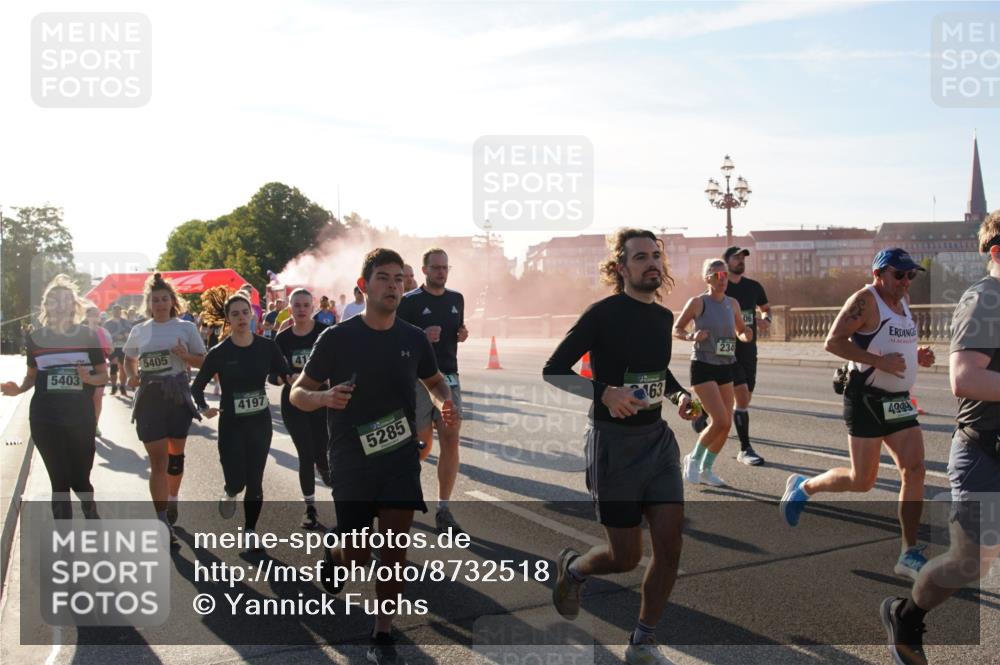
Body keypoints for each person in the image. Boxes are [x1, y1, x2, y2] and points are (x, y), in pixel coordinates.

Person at [291, 248, 456, 665]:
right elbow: (296, 394)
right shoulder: (337, 338)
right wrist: (325, 396)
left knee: (395, 550)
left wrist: (446, 401)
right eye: (383, 277)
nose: (393, 285)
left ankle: (383, 632)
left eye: (399, 279)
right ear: (364, 286)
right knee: (360, 554)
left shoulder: (413, 338)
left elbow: (435, 381)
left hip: (400, 457)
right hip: (351, 459)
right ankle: (335, 553)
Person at [543, 229, 694, 665]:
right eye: (640, 257)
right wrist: (603, 393)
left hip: (658, 444)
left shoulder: (664, 318)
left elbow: (659, 374)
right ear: (621, 267)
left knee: (670, 547)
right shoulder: (603, 314)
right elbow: (554, 370)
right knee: (626, 557)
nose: (651, 263)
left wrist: (679, 395)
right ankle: (574, 569)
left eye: (655, 256)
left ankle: (642, 642)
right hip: (614, 446)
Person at [879, 211, 1000, 665]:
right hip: (987, 452)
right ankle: (905, 616)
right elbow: (966, 379)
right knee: (969, 564)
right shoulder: (986, 300)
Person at [780, 248, 935, 580]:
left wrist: (916, 354)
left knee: (915, 469)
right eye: (899, 275)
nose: (906, 281)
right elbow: (832, 341)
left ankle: (908, 552)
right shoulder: (865, 300)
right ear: (879, 274)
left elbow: (890, 340)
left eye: (911, 275)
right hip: (865, 398)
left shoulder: (903, 302)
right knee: (863, 480)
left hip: (898, 401)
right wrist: (880, 362)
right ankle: (804, 487)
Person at [1, 275, 108, 519]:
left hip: (80, 418)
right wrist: (17, 388)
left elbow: (103, 376)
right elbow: (31, 377)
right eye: (54, 301)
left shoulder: (88, 336)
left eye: (65, 301)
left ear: (73, 305)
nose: (59, 306)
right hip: (45, 418)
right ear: (46, 306)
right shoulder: (36, 338)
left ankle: (89, 506)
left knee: (80, 480)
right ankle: (64, 542)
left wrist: (88, 378)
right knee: (59, 482)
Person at [191, 294, 288, 548]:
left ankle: (250, 530)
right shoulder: (220, 352)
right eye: (235, 314)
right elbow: (197, 387)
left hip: (260, 423)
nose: (241, 317)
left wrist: (287, 379)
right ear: (229, 319)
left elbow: (282, 373)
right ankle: (231, 490)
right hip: (231, 424)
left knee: (255, 479)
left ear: (252, 315)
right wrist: (204, 408)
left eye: (245, 312)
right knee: (237, 479)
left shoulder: (267, 347)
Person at [122, 274, 206, 542]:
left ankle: (172, 498)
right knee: (158, 461)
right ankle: (161, 521)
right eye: (155, 300)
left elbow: (203, 361)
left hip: (177, 396)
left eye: (164, 299)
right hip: (150, 397)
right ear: (149, 303)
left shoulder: (186, 328)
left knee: (175, 457)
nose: (159, 303)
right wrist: (131, 376)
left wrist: (185, 356)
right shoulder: (140, 330)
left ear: (172, 301)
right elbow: (128, 359)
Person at [397, 248, 469, 533]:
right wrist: (421, 337)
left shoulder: (456, 299)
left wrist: (462, 334)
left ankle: (443, 509)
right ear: (424, 270)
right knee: (422, 444)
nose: (441, 272)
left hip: (449, 378)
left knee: (451, 438)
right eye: (436, 267)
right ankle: (398, 490)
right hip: (418, 380)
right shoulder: (409, 302)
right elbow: (396, 340)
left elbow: (458, 331)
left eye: (445, 267)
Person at [673, 258, 753, 488]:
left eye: (725, 275)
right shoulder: (698, 303)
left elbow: (741, 331)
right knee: (718, 420)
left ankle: (707, 469)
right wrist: (691, 336)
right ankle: (693, 458)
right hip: (703, 365)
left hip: (724, 366)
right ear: (707, 278)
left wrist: (747, 335)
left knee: (726, 425)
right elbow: (677, 328)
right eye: (717, 275)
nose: (722, 279)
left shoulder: (733, 303)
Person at [273, 288, 331, 529]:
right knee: (305, 454)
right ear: (290, 307)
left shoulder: (325, 334)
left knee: (323, 453)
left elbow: (338, 366)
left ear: (313, 306)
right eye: (296, 305)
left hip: (322, 401)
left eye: (306, 305)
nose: (301, 309)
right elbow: (272, 377)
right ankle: (310, 508)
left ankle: (327, 471)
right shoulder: (282, 339)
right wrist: (286, 378)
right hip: (294, 403)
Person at [723, 246, 770, 465]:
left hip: (749, 348)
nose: (741, 261)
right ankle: (746, 448)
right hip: (725, 350)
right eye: (736, 257)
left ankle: (704, 411)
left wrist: (765, 319)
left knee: (744, 396)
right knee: (739, 395)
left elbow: (766, 308)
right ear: (726, 261)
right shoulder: (720, 287)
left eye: (743, 258)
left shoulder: (753, 287)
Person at [85, 305, 112, 437]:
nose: (95, 317)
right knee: (86, 398)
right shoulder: (80, 332)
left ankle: (94, 425)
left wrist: (102, 351)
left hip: (99, 368)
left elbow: (111, 349)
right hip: (84, 369)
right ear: (86, 316)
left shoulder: (103, 332)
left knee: (97, 398)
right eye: (92, 314)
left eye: (97, 314)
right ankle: (84, 423)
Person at [103, 304, 132, 396]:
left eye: (119, 310)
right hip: (113, 347)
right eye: (115, 311)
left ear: (121, 311)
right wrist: (115, 336)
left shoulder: (125, 322)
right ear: (112, 312)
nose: (117, 312)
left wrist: (125, 335)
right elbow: (105, 336)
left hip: (123, 347)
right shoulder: (108, 323)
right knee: (114, 367)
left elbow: (130, 333)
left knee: (123, 368)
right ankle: (114, 385)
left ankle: (122, 386)